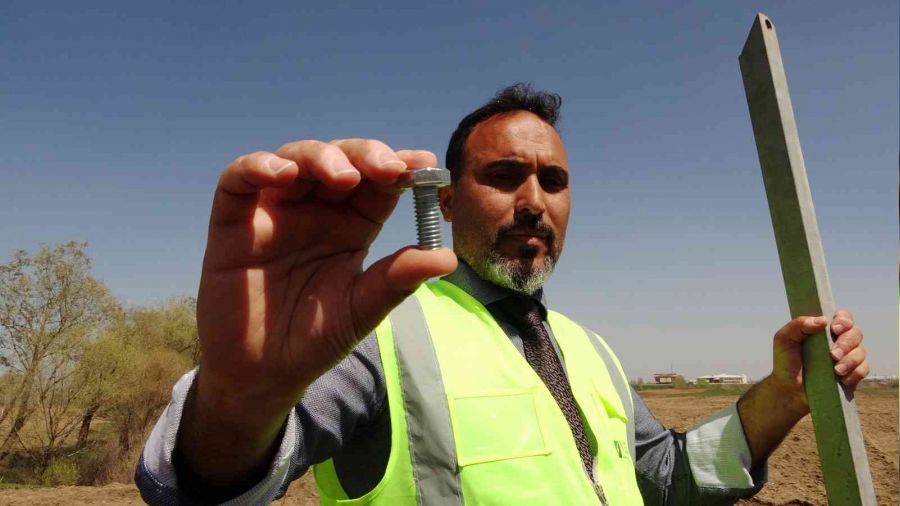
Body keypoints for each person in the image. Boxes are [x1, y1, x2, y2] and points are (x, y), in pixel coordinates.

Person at [135, 84, 869, 505]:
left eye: (553, 181)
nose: (533, 201)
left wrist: (782, 397)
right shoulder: (376, 333)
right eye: (504, 176)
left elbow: (667, 476)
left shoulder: (589, 349)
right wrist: (240, 399)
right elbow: (197, 483)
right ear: (447, 202)